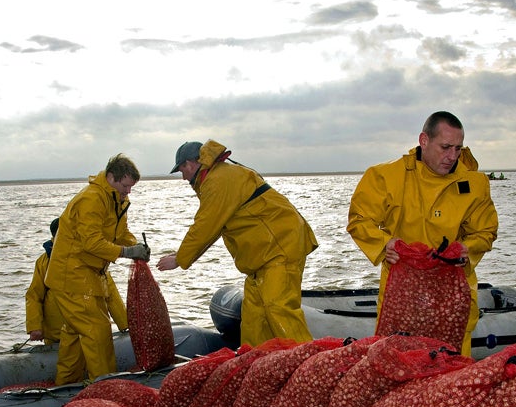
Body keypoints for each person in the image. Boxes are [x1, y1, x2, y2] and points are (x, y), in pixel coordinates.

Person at [347, 111, 498, 356]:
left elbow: (486, 231)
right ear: (424, 141)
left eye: (458, 149)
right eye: (445, 147)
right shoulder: (385, 177)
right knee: (395, 361)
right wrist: (384, 244)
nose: (452, 157)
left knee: (451, 370)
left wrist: (466, 249)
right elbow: (359, 220)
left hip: (453, 292)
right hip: (402, 292)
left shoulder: (475, 183)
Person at [157, 139, 318, 347]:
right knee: (253, 318)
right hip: (262, 258)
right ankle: (256, 365)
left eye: (181, 171)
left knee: (278, 308)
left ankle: (306, 361)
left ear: (189, 164)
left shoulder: (218, 180)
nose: (183, 177)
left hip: (280, 248)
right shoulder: (220, 177)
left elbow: (205, 226)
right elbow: (213, 227)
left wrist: (179, 259)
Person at [44, 153, 149, 384]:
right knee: (97, 331)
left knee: (73, 336)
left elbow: (120, 234)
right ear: (111, 177)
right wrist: (127, 253)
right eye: (126, 185)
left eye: (131, 187)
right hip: (72, 277)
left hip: (88, 276)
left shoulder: (117, 200)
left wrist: (136, 246)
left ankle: (66, 386)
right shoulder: (91, 199)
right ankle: (107, 388)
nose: (128, 191)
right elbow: (90, 242)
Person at [24, 217, 127, 344]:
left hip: (89, 330)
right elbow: (34, 296)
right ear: (54, 237)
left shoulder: (92, 259)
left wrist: (125, 325)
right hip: (57, 335)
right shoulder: (43, 262)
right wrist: (35, 327)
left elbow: (110, 293)